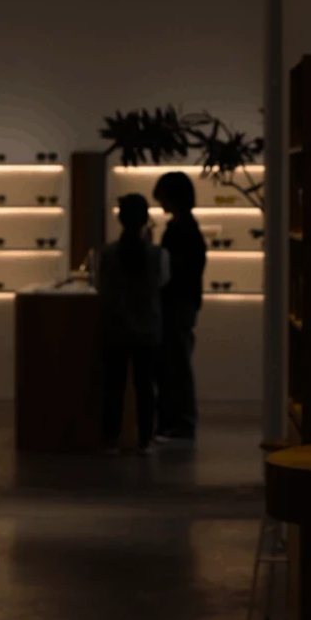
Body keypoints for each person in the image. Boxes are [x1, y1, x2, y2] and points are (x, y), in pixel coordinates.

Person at [94, 193, 168, 452]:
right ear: (145, 219)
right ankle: (145, 439)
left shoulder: (107, 253)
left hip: (115, 328)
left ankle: (111, 438)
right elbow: (162, 283)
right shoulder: (158, 255)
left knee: (113, 387)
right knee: (145, 387)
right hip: (147, 329)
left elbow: (100, 286)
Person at [152, 170, 207, 442]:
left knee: (175, 363)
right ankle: (175, 422)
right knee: (175, 363)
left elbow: (174, 269)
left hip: (177, 304)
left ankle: (179, 422)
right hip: (182, 303)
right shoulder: (187, 228)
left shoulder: (180, 230)